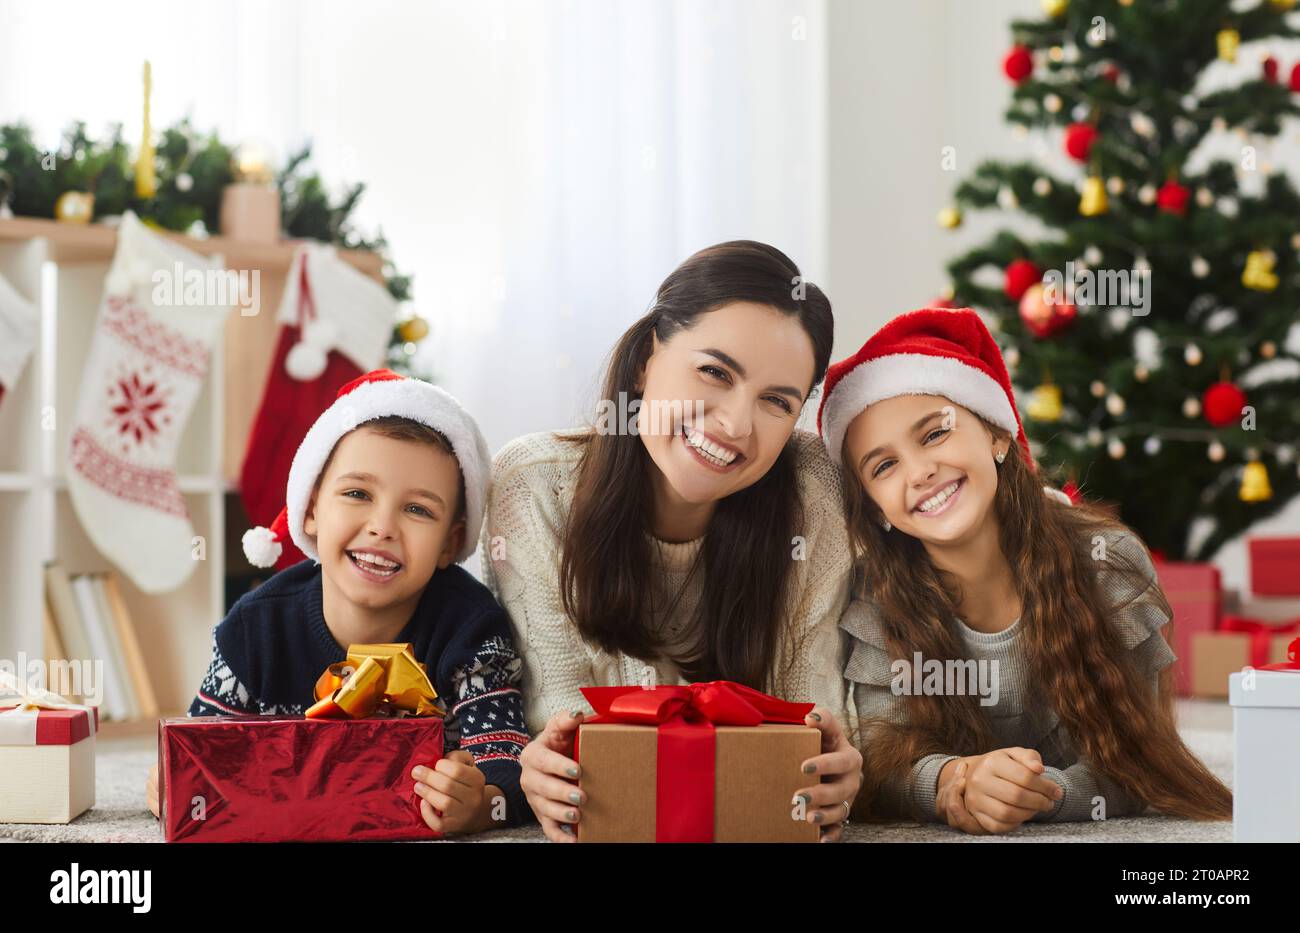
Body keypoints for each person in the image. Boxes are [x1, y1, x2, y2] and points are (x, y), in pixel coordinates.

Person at [482, 241, 863, 842]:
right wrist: (543, 764)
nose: (736, 424)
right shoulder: (534, 487)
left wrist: (838, 770)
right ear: (645, 360)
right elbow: (559, 720)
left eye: (776, 402)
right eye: (714, 372)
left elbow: (811, 721)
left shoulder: (812, 491)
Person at [818, 307, 1232, 833]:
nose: (919, 472)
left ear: (997, 437)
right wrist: (955, 782)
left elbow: (1141, 762)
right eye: (884, 466)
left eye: (933, 435)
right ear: (876, 507)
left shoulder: (1108, 562)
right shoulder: (876, 597)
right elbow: (884, 760)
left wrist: (1039, 794)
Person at [146, 369, 533, 835]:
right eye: (356, 494)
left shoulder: (470, 629)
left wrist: (481, 800)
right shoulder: (258, 625)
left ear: (451, 544)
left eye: (418, 509)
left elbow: (507, 763)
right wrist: (169, 781)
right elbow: (201, 752)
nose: (382, 526)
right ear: (310, 509)